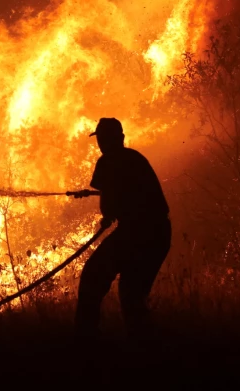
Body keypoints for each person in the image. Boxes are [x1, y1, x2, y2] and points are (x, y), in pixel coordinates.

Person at [73, 117, 171, 340]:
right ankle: (145, 347)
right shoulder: (135, 157)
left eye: (102, 139)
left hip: (137, 233)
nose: (100, 143)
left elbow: (109, 206)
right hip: (159, 233)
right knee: (132, 295)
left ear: (114, 138)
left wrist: (107, 215)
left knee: (92, 277)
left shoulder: (108, 161)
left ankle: (84, 339)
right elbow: (130, 191)